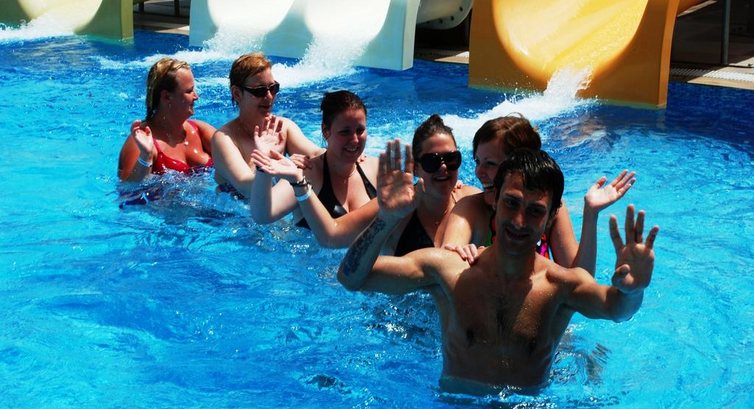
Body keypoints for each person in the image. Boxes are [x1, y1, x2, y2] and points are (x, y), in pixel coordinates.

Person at [337, 142, 659, 394]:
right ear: (495, 201)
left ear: (550, 218)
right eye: (511, 203)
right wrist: (386, 218)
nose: (519, 221)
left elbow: (617, 309)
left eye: (535, 211)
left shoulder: (560, 286)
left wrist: (633, 290)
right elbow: (352, 278)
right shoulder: (447, 271)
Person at [251, 112, 477, 250]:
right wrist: (299, 182)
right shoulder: (395, 205)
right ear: (415, 167)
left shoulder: (472, 201)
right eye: (432, 162)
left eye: (452, 159)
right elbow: (332, 236)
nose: (444, 167)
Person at [442, 114, 635, 274]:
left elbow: (579, 280)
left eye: (490, 163)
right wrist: (458, 256)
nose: (479, 172)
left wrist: (591, 214)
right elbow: (445, 264)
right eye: (477, 161)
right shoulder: (470, 208)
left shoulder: (549, 210)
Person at [250, 90, 379, 248]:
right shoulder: (308, 173)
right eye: (345, 132)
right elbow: (262, 215)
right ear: (326, 131)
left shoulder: (375, 169)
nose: (354, 140)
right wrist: (264, 165)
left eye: (360, 130)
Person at [211, 52, 323, 198]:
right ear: (237, 94)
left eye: (273, 88)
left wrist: (342, 152)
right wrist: (281, 168)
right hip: (230, 210)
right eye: (260, 91)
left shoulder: (283, 127)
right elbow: (246, 187)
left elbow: (315, 155)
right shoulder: (225, 139)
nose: (269, 96)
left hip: (271, 205)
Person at [117, 57, 215, 183]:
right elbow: (127, 190)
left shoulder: (200, 131)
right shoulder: (140, 142)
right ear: (166, 96)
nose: (196, 96)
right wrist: (146, 156)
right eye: (189, 91)